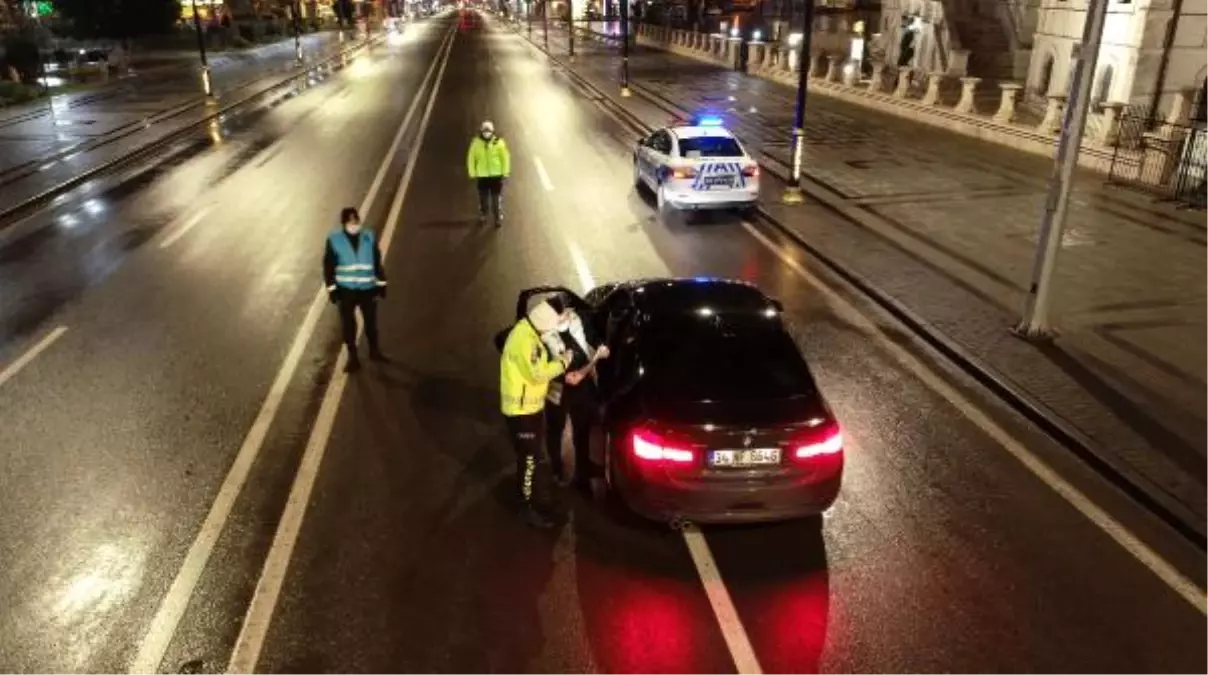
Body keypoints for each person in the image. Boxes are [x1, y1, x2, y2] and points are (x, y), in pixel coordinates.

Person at [500, 296, 574, 528]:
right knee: (530, 459)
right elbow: (537, 374)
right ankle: (525, 506)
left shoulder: (529, 332)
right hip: (521, 412)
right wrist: (563, 363)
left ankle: (531, 497)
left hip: (530, 409)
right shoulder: (526, 341)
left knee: (533, 458)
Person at [540, 297, 609, 490]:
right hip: (558, 388)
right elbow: (542, 367)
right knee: (555, 429)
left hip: (583, 384)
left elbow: (593, 336)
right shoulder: (544, 335)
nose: (567, 317)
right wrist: (563, 378)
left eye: (568, 313)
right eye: (563, 315)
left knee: (583, 428)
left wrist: (600, 347)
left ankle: (583, 472)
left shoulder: (579, 319)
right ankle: (556, 468)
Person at [323, 206, 386, 373]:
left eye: (356, 220)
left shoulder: (368, 236)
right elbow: (328, 266)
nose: (354, 223)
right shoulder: (334, 240)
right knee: (349, 326)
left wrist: (381, 284)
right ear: (344, 223)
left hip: (367, 288)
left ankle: (374, 351)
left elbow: (376, 261)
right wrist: (332, 289)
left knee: (371, 322)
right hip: (346, 290)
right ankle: (353, 358)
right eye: (350, 221)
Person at [466, 120, 510, 227]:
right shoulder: (476, 143)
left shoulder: (499, 143)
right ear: (481, 131)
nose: (487, 133)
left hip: (496, 176)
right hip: (482, 176)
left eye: (488, 131)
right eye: (485, 131)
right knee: (483, 198)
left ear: (492, 131)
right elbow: (471, 158)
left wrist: (505, 171)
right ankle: (483, 214)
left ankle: (497, 217)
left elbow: (505, 158)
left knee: (496, 199)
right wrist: (472, 172)